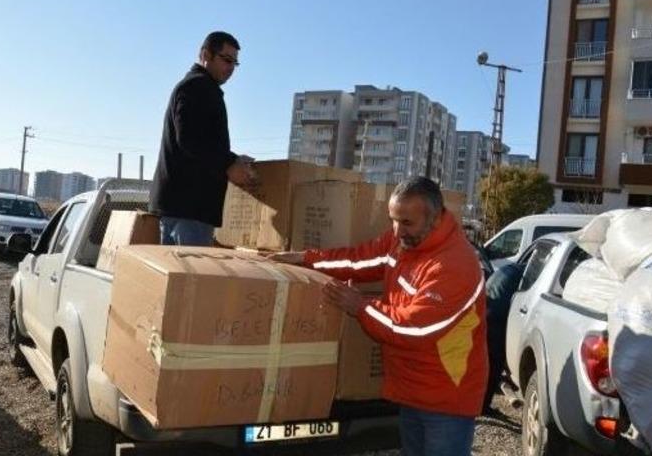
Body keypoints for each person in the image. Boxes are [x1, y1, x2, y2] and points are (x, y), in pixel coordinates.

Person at [270, 177, 488, 456]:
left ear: (435, 219)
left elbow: (413, 330)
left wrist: (360, 306)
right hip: (411, 388)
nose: (397, 231)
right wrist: (307, 259)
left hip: (446, 397)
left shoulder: (454, 265)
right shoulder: (403, 241)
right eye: (393, 220)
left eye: (406, 223)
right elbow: (358, 260)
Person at [149, 31, 256, 246]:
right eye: (226, 60)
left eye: (235, 63)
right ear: (205, 54)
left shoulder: (196, 86)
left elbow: (198, 141)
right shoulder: (198, 86)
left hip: (181, 207)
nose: (231, 68)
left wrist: (233, 159)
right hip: (190, 210)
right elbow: (189, 139)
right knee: (191, 279)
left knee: (178, 278)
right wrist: (228, 165)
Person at [482, 262, 523, 414]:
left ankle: (475, 403)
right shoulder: (524, 276)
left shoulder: (508, 268)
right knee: (494, 366)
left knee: (484, 364)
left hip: (485, 309)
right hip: (496, 318)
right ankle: (483, 407)